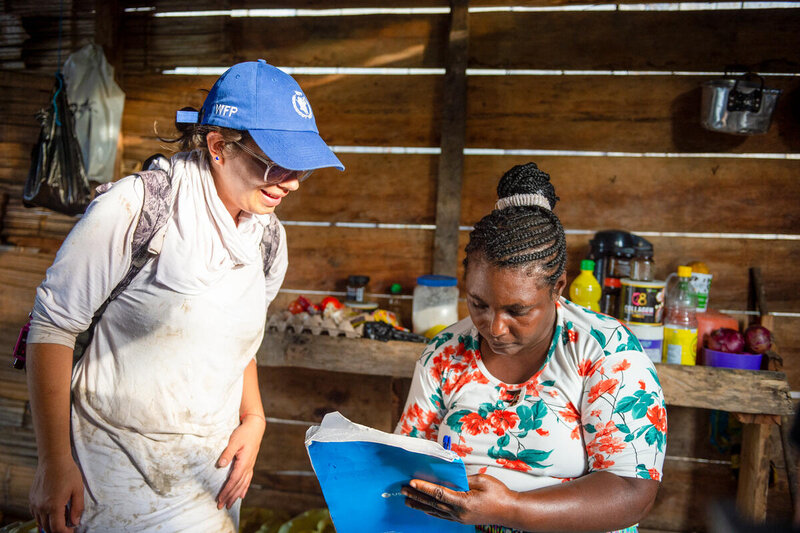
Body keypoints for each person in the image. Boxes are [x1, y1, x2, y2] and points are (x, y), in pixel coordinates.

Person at [25, 59, 344, 533]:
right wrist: (54, 462)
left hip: (208, 477)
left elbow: (235, 343)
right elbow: (51, 327)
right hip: (110, 474)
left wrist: (254, 418)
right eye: (275, 164)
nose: (292, 182)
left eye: (301, 168)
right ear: (218, 146)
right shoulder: (137, 210)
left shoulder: (267, 240)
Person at [395, 163, 666, 533]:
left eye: (516, 310)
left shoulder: (606, 352)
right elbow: (408, 465)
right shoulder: (444, 353)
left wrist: (511, 509)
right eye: (478, 304)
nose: (494, 327)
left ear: (558, 289)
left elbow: (634, 491)